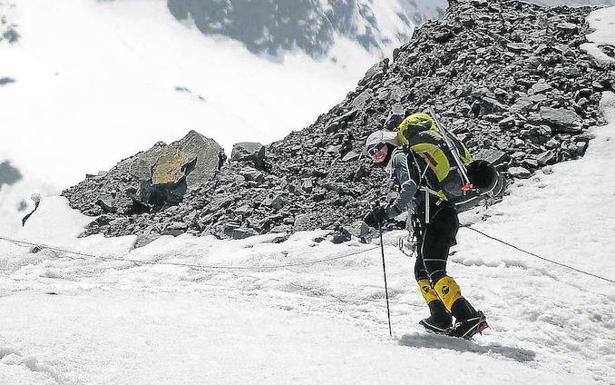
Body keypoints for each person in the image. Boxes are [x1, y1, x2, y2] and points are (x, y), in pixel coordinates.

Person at [362, 121, 493, 339]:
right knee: (422, 271)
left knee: (433, 268)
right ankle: (440, 318)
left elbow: (410, 186)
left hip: (437, 215)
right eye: (371, 153)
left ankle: (467, 317)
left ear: (389, 143)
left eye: (378, 148)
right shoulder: (401, 160)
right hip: (434, 217)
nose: (375, 154)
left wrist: (388, 213)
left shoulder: (398, 157)